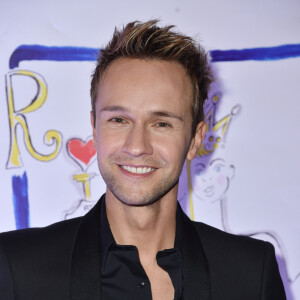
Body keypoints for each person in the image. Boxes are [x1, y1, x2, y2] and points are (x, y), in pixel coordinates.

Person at [0, 20, 286, 300]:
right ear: (95, 128)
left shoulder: (250, 275)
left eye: (161, 123)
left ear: (196, 139)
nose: (136, 146)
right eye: (118, 120)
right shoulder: (18, 268)